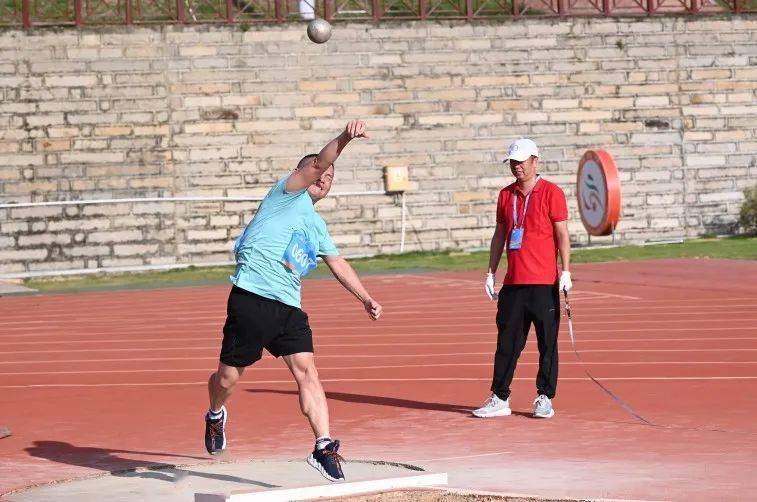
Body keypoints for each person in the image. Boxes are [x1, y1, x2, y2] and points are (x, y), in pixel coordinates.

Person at [204, 120, 382, 482]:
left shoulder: (316, 225)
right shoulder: (285, 194)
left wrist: (365, 297)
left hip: (288, 308)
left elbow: (336, 261)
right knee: (227, 377)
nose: (324, 178)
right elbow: (318, 162)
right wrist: (345, 138)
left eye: (331, 177)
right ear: (301, 172)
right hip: (251, 298)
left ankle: (323, 445)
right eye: (321, 171)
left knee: (308, 373)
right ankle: (215, 414)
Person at [473, 138, 572, 420]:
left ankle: (544, 397)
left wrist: (565, 271)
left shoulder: (552, 193)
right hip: (514, 282)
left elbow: (562, 235)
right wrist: (491, 271)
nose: (518, 167)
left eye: (522, 161)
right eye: (513, 162)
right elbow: (499, 235)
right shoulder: (506, 195)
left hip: (543, 282)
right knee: (507, 343)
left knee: (547, 343)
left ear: (535, 161)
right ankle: (500, 396)